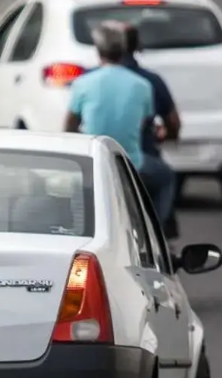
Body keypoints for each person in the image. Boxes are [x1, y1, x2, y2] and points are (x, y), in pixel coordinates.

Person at [64, 21, 154, 187]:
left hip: (92, 160)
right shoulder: (142, 85)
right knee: (164, 177)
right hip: (131, 164)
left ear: (98, 50)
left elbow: (69, 125)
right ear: (124, 50)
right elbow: (143, 124)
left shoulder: (83, 83)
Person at [122, 23, 182, 240]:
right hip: (140, 161)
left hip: (98, 160)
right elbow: (173, 122)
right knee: (166, 179)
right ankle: (158, 235)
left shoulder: (88, 78)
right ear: (137, 46)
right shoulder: (150, 81)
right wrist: (168, 135)